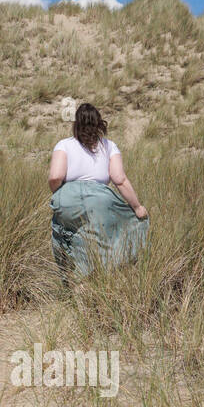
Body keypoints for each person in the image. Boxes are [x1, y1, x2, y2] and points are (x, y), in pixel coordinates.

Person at [47, 103, 148, 278]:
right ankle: (99, 278)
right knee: (103, 240)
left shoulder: (64, 145)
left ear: (76, 124)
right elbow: (119, 179)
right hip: (99, 200)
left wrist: (61, 195)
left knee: (69, 238)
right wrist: (137, 207)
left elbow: (55, 177)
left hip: (66, 198)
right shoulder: (109, 146)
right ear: (99, 124)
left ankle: (72, 281)